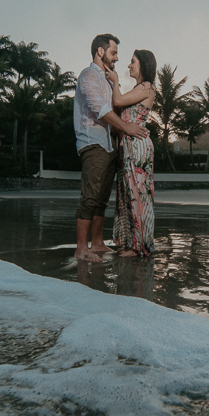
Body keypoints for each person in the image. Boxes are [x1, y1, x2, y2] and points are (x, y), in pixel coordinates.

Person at [73, 34, 149, 262]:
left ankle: (97, 243)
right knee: (90, 197)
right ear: (100, 51)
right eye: (113, 53)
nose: (116, 58)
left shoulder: (107, 80)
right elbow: (99, 108)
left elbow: (114, 114)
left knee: (101, 198)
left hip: (108, 145)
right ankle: (81, 248)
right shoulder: (88, 75)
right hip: (93, 142)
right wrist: (127, 127)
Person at [106, 49, 156, 257]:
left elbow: (118, 102)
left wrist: (115, 81)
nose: (129, 65)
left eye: (133, 62)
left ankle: (139, 246)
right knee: (127, 192)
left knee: (138, 193)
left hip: (137, 145)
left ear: (143, 64)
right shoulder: (138, 88)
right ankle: (128, 243)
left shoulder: (147, 87)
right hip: (128, 144)